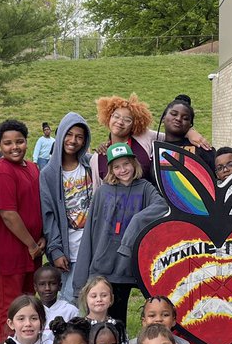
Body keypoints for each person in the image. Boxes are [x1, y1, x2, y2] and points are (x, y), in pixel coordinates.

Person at [73, 142, 166, 323]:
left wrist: (138, 219)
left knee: (119, 318)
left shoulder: (145, 188)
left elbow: (162, 205)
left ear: (134, 164)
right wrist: (81, 275)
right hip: (102, 264)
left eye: (126, 164)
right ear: (111, 169)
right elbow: (91, 230)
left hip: (125, 266)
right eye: (117, 166)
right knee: (99, 317)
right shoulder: (102, 191)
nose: (123, 170)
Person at [0, 119, 44, 341]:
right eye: (8, 143)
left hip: (34, 248)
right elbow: (8, 214)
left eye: (19, 141)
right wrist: (31, 244)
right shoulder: (3, 170)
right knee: (9, 305)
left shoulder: (32, 167)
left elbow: (38, 205)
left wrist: (42, 238)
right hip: (12, 250)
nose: (14, 147)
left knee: (29, 302)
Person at [92, 92, 211, 185]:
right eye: (116, 116)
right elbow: (97, 192)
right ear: (108, 117)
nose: (120, 122)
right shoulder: (98, 157)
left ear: (135, 123)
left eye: (127, 120)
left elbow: (172, 135)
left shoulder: (145, 137)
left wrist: (190, 132)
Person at [40, 113, 92, 304]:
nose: (73, 141)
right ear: (61, 135)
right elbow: (49, 215)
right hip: (68, 247)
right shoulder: (48, 174)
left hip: (92, 244)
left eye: (79, 137)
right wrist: (55, 250)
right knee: (69, 298)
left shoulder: (90, 165)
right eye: (69, 134)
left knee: (93, 297)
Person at [157, 95, 214, 169]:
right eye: (174, 114)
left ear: (190, 125)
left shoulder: (201, 147)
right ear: (163, 118)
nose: (178, 119)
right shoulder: (154, 147)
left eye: (185, 118)